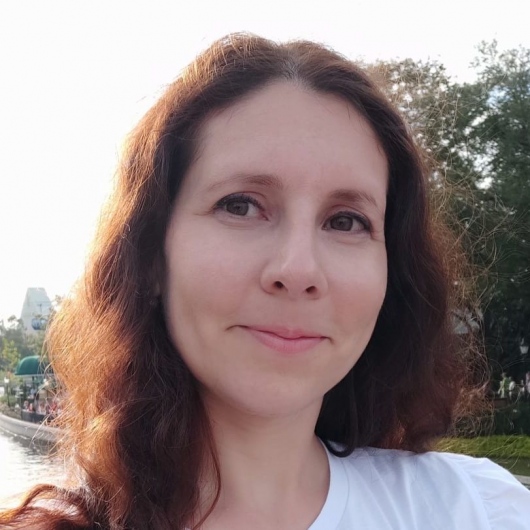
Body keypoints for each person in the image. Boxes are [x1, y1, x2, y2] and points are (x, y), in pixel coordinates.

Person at [1, 33, 529, 530]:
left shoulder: (476, 511)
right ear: (152, 256)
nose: (298, 271)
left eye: (346, 221)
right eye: (241, 206)